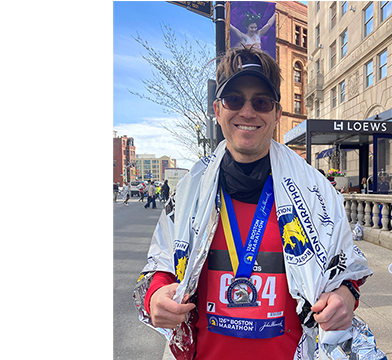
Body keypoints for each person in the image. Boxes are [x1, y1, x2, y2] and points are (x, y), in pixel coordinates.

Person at [135, 46, 375, 360]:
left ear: (276, 113)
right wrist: (155, 297)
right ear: (217, 110)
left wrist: (346, 295)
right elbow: (158, 268)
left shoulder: (315, 192)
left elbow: (348, 266)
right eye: (234, 99)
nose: (247, 112)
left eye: (261, 102)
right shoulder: (190, 191)